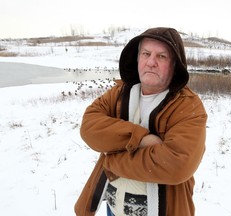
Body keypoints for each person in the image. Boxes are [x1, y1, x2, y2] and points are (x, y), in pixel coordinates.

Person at [74, 27, 207, 216]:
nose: (151, 62)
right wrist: (141, 138)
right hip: (113, 209)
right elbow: (89, 127)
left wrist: (112, 159)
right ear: (137, 59)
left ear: (175, 64)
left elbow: (178, 165)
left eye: (161, 56)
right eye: (146, 54)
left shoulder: (187, 106)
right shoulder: (119, 93)